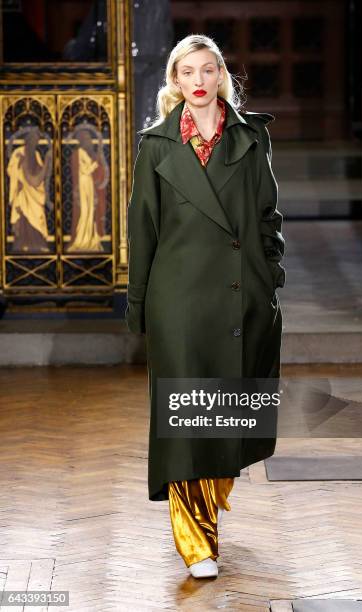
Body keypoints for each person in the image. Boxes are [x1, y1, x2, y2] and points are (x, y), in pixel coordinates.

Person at [126, 34, 286, 579]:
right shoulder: (157, 146)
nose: (197, 81)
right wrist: (139, 306)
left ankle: (209, 515)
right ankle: (197, 544)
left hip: (241, 297)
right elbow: (142, 232)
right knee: (185, 424)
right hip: (181, 302)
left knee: (227, 417)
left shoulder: (251, 138)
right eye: (186, 72)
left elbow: (268, 216)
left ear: (221, 77)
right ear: (174, 82)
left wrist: (270, 280)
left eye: (207, 70)